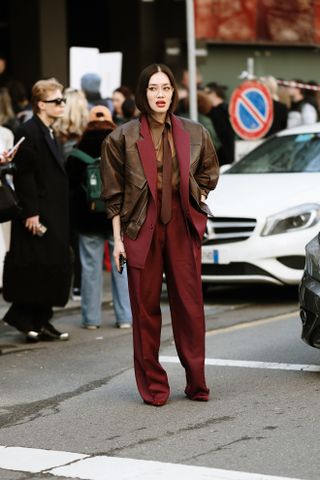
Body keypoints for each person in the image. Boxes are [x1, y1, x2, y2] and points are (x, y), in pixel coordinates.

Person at [101, 63, 219, 406]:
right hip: (141, 228)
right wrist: (119, 240)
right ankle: (154, 387)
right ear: (143, 94)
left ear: (173, 92)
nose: (160, 95)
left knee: (190, 307)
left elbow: (210, 173)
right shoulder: (121, 137)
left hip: (181, 226)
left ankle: (197, 382)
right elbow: (113, 196)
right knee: (145, 310)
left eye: (165, 88)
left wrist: (193, 198)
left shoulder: (195, 132)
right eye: (153, 88)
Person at [2, 78, 71, 342]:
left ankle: (41, 320)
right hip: (39, 212)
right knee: (37, 267)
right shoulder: (29, 131)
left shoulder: (47, 130)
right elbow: (25, 176)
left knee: (50, 266)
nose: (62, 104)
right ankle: (25, 318)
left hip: (52, 210)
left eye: (62, 100)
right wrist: (31, 212)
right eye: (57, 101)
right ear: (41, 104)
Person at [66, 105, 132, 330]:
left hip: (87, 219)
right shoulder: (121, 145)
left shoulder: (77, 151)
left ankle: (91, 319)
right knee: (121, 266)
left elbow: (70, 187)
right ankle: (124, 317)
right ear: (111, 120)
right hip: (118, 217)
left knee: (90, 268)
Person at [55, 88, 90, 300]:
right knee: (81, 242)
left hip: (62, 196)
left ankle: (68, 284)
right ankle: (78, 285)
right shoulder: (86, 136)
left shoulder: (56, 136)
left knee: (66, 240)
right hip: (83, 195)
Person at [205, 82, 235, 165]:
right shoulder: (210, 111)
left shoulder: (227, 108)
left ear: (214, 93)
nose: (205, 96)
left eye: (207, 93)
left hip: (228, 147)